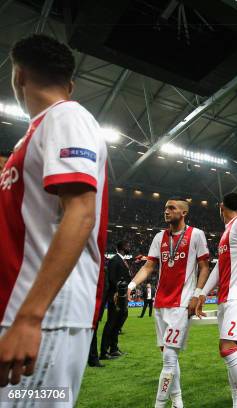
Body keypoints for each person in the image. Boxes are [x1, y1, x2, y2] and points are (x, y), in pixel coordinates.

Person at [0, 34, 108, 406]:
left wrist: (30, 319)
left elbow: (80, 212)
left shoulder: (67, 116)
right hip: (27, 310)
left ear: (18, 76)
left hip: (46, 316)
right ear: (70, 81)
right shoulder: (34, 133)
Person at [128, 197, 210, 408]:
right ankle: (178, 400)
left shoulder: (196, 235)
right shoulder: (159, 237)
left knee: (169, 359)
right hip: (160, 302)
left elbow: (204, 266)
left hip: (181, 303)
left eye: (172, 208)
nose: (167, 211)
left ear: (183, 213)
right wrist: (131, 285)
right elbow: (148, 267)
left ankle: (159, 403)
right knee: (167, 355)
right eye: (165, 208)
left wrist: (198, 293)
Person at [198, 192, 237, 408]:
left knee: (227, 348)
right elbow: (219, 269)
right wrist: (202, 293)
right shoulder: (227, 231)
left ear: (221, 207)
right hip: (226, 298)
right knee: (233, 349)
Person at [101, 241, 131, 359]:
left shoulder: (122, 260)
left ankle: (113, 348)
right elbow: (112, 278)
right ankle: (104, 352)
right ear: (122, 247)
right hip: (116, 297)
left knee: (120, 320)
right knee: (111, 323)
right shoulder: (114, 260)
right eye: (127, 245)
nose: (129, 247)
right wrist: (118, 291)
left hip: (122, 296)